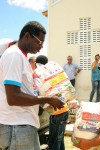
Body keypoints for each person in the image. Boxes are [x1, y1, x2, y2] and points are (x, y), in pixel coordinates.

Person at [0, 21, 64, 150]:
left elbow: (25, 91)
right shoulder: (14, 55)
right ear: (27, 36)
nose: (41, 47)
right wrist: (47, 99)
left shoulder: (22, 57)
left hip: (23, 126)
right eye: (39, 41)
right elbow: (13, 98)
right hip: (16, 127)